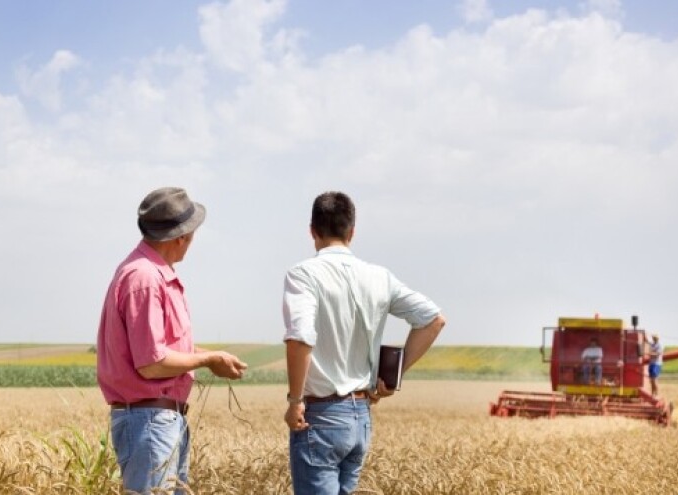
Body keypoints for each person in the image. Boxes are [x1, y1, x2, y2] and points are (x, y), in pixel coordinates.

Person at [282, 191, 446, 495]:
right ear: (352, 232)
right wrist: (391, 378)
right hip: (361, 418)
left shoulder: (303, 275)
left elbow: (300, 338)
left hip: (321, 417)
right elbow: (433, 319)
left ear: (312, 231)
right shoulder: (379, 277)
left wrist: (294, 402)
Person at [96, 187, 248, 493]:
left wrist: (212, 357)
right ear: (182, 236)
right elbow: (152, 364)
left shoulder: (148, 273)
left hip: (156, 420)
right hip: (150, 421)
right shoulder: (146, 278)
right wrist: (208, 359)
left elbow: (163, 348)